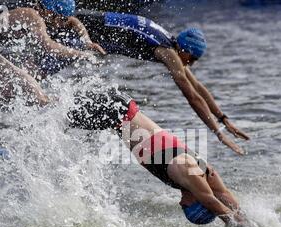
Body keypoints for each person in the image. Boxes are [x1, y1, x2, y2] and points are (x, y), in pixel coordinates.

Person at [67, 90, 252, 227]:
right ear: (197, 202)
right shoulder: (186, 170)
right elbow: (211, 200)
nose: (181, 204)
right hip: (115, 112)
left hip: (120, 112)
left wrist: (245, 220)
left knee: (59, 106)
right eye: (185, 207)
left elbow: (222, 194)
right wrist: (235, 225)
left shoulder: (203, 171)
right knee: (53, 109)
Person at [77, 11, 250, 155]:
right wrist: (219, 134)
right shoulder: (168, 52)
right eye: (193, 59)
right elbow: (192, 96)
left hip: (86, 23)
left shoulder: (171, 43)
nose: (192, 64)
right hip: (82, 27)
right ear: (186, 50)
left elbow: (197, 87)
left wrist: (223, 119)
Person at [0, 0, 104, 79]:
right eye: (58, 18)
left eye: (63, 19)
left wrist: (86, 40)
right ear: (46, 10)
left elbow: (73, 21)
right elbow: (48, 46)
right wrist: (81, 54)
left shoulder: (47, 11)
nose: (61, 24)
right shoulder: (32, 15)